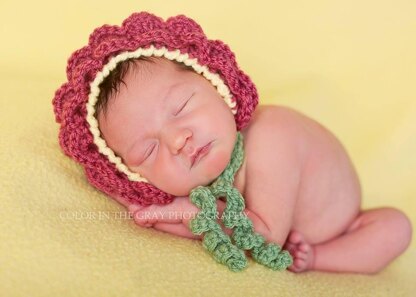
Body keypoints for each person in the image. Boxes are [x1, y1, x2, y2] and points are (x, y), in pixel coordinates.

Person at [53, 12, 412, 274]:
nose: (178, 140)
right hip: (286, 224)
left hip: (345, 224)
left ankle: (321, 259)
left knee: (395, 228)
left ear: (219, 87)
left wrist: (180, 214)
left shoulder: (272, 136)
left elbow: (264, 233)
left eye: (181, 108)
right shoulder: (203, 182)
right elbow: (203, 216)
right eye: (149, 150)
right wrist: (153, 207)